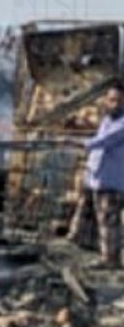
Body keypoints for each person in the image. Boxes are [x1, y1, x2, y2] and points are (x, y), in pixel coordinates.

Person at [68, 80, 124, 269]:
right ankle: (80, 243)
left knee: (108, 222)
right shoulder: (108, 120)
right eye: (110, 100)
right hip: (95, 177)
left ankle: (110, 259)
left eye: (117, 100)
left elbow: (105, 141)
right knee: (86, 214)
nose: (112, 104)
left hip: (112, 181)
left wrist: (80, 143)